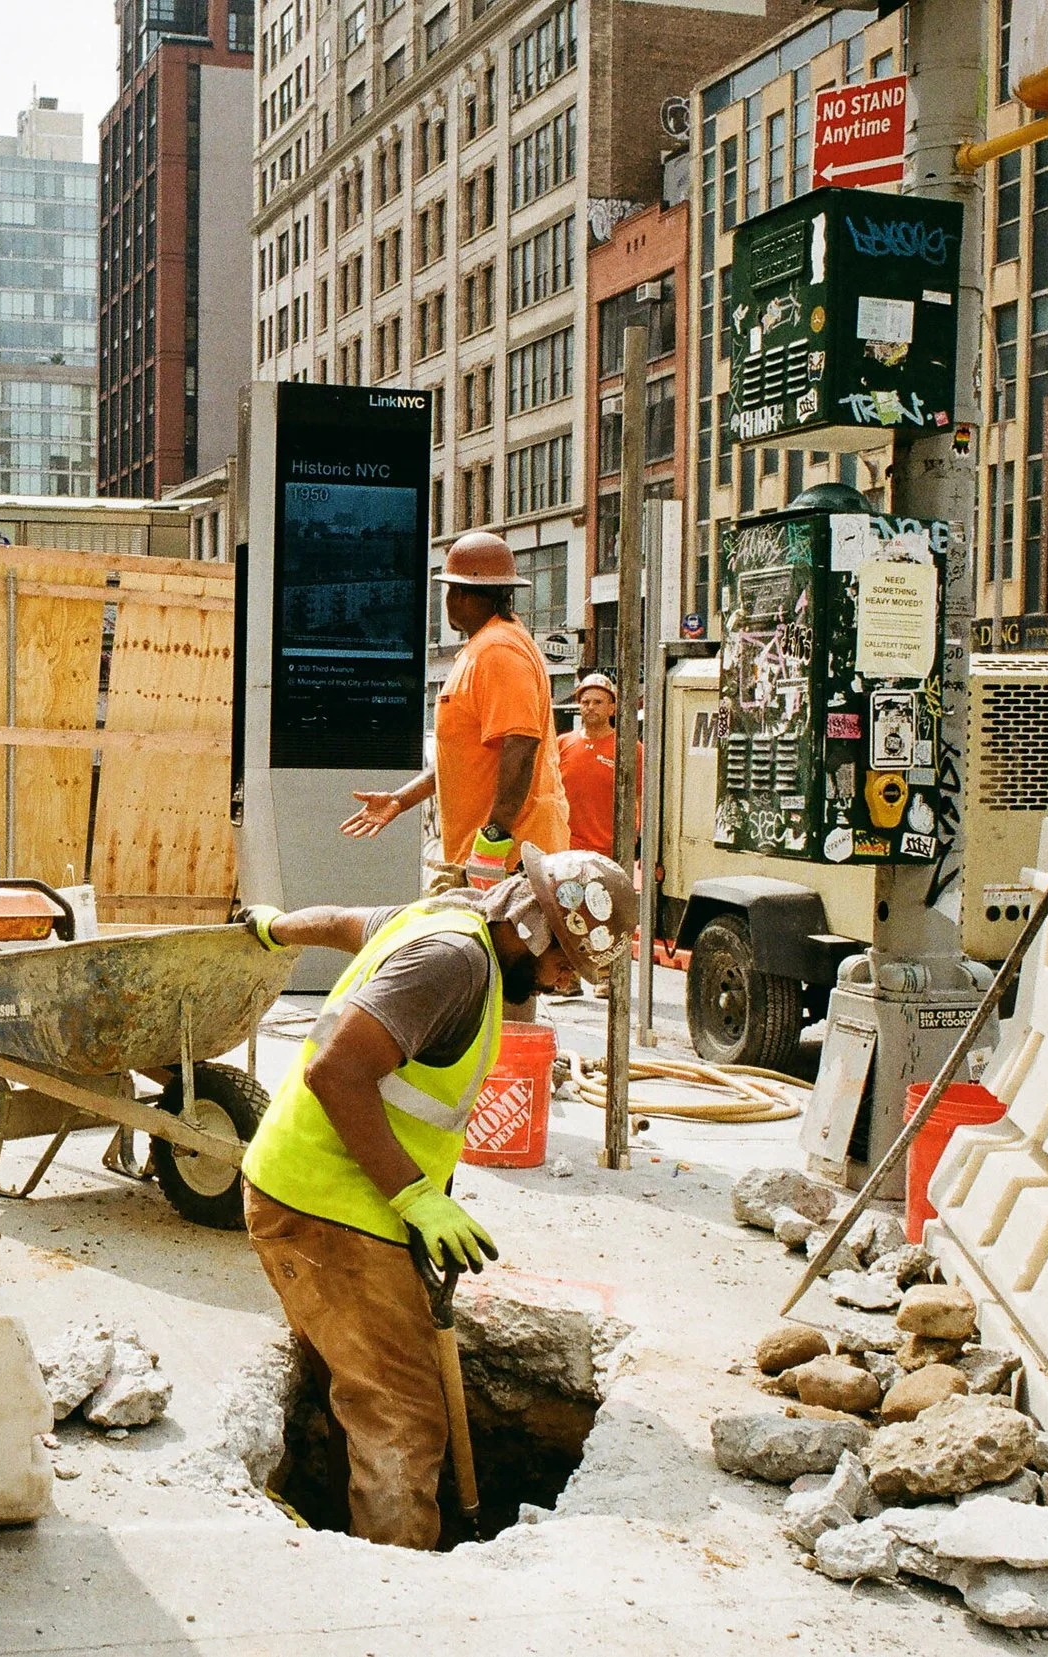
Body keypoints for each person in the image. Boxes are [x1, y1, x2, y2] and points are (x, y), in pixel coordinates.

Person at [237, 846, 636, 1548]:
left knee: (357, 1387)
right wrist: (417, 1195)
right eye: (564, 964)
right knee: (403, 1412)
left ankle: (349, 1540)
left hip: (322, 1194)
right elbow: (337, 1071)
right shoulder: (453, 964)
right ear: (535, 928)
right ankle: (398, 1585)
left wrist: (277, 928)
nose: (559, 982)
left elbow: (338, 922)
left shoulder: (437, 917)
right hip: (327, 1206)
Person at [341, 532, 567, 891]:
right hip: (497, 861)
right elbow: (461, 757)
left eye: (448, 590)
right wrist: (401, 800)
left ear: (459, 594)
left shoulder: (498, 652)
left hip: (507, 866)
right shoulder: (490, 647)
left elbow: (521, 748)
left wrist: (493, 844)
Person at [557, 672, 632, 858]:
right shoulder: (561, 744)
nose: (590, 707)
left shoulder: (628, 749)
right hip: (566, 852)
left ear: (612, 708)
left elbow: (639, 799)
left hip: (610, 854)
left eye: (598, 702)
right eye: (585, 702)